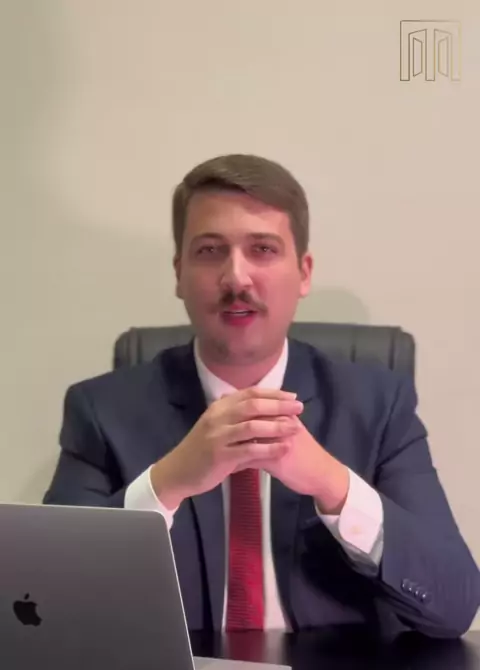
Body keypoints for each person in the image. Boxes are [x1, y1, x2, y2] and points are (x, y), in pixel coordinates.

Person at [44, 153, 480, 638]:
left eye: (263, 249)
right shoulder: (101, 411)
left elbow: (454, 603)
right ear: (179, 273)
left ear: (304, 272)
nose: (236, 278)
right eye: (210, 250)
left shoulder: (378, 406)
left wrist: (333, 485)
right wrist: (168, 482)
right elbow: (47, 600)